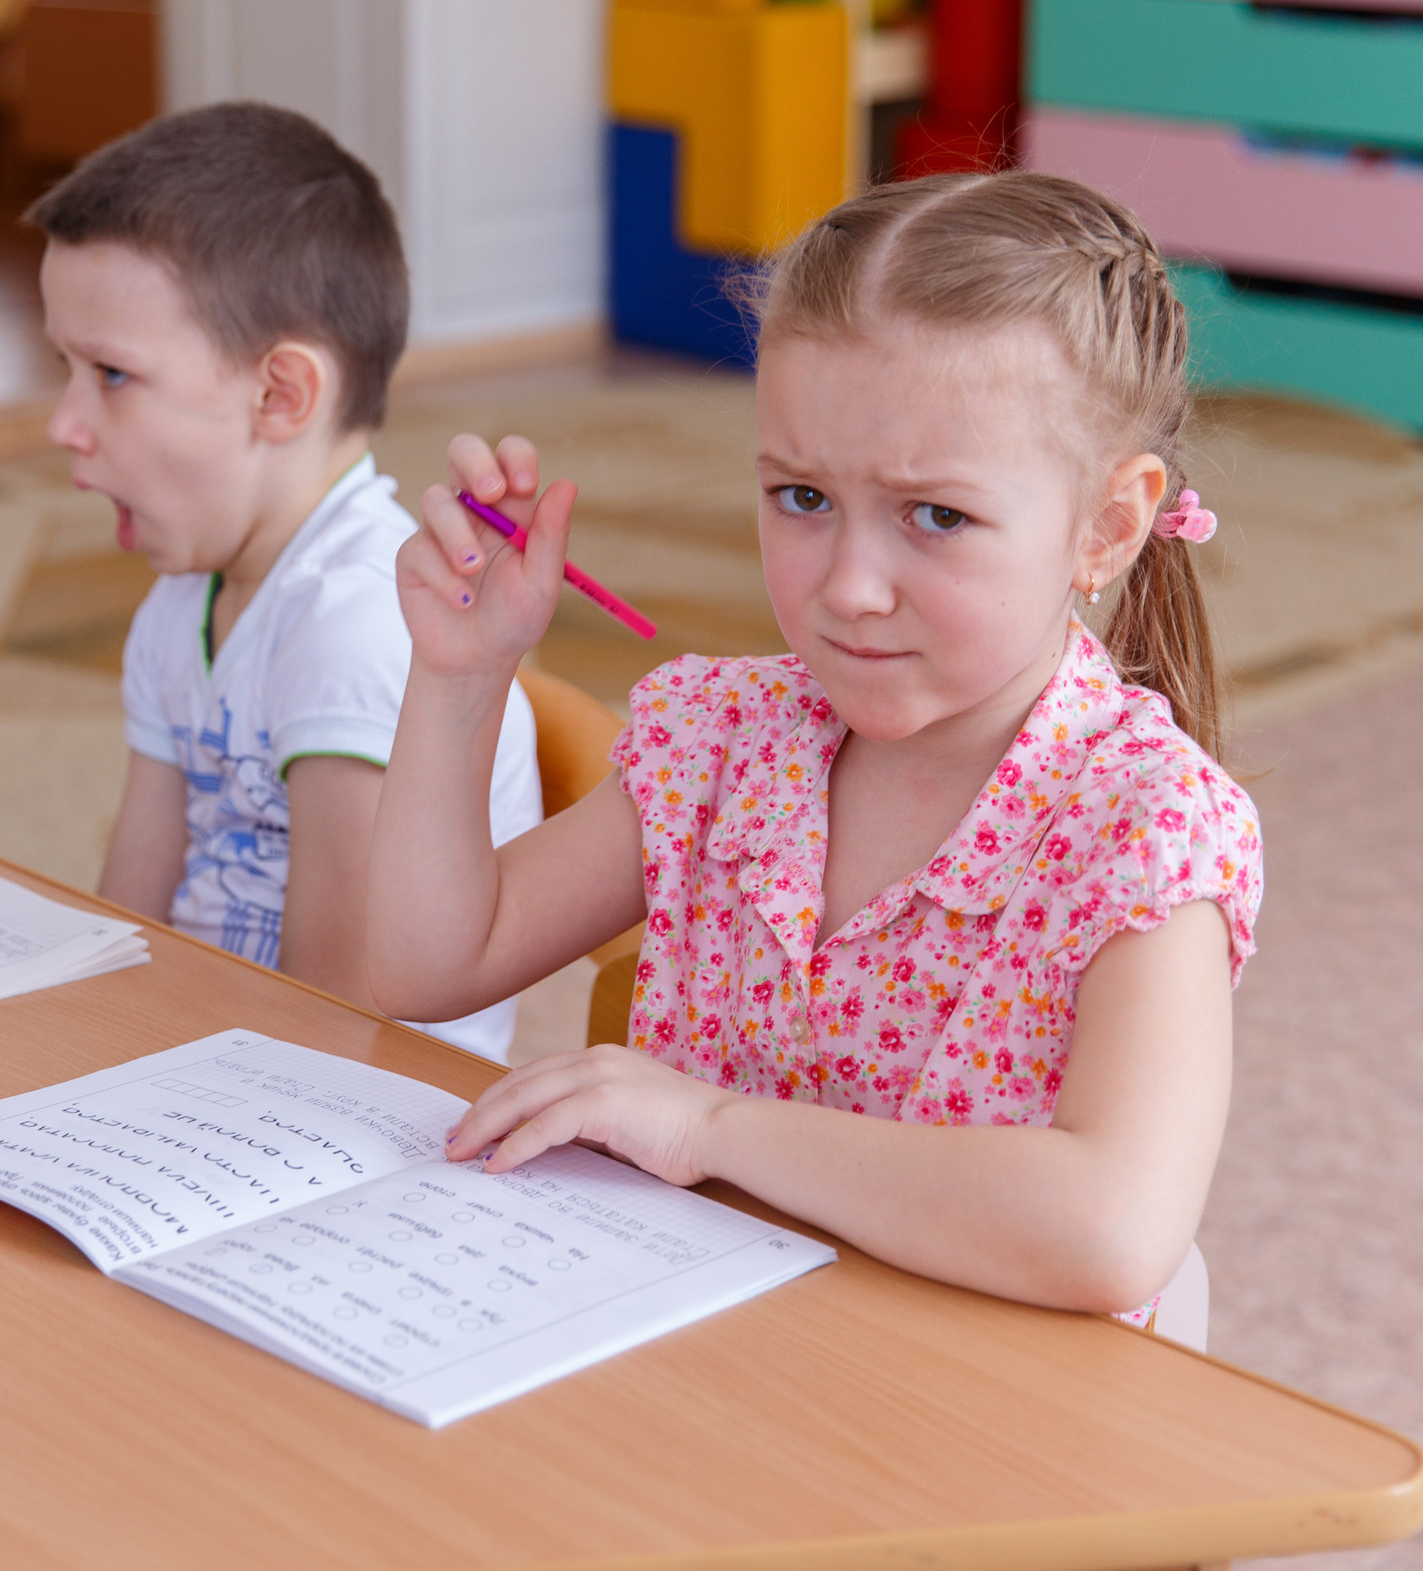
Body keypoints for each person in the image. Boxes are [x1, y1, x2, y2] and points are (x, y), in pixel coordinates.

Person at [368, 172, 1262, 1314]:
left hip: (967, 1423)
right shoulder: (721, 739)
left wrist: (713, 1129)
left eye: (936, 516)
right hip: (683, 1347)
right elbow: (427, 965)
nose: (848, 588)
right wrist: (460, 678)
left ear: (1108, 526)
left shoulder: (1144, 829)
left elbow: (1112, 1230)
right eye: (800, 497)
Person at [32, 101, 543, 1062]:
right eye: (64, 366)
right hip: (208, 1063)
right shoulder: (181, 604)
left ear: (280, 396)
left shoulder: (355, 628)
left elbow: (335, 1028)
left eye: (109, 373)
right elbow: (124, 925)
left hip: (345, 1126)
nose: (65, 422)